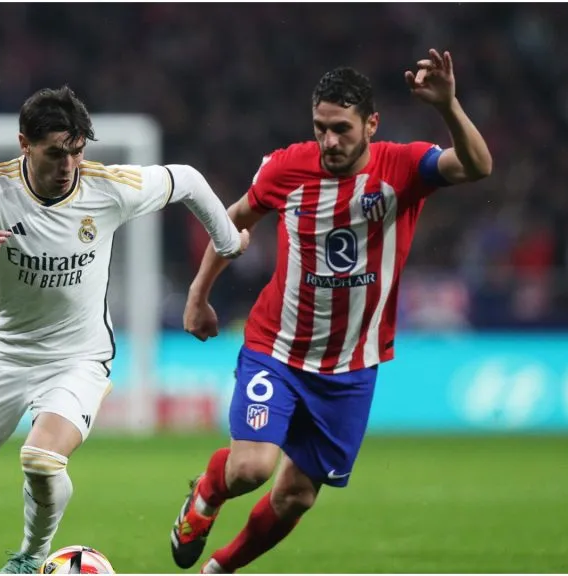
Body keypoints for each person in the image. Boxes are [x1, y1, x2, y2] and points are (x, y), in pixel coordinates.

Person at [0, 85, 249, 574]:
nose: (69, 165)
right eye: (56, 153)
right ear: (25, 144)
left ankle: (30, 558)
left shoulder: (105, 187)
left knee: (41, 460)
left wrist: (227, 243)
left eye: (76, 152)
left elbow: (185, 179)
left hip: (78, 358)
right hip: (3, 356)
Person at [169, 49, 492, 574]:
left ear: (371, 125)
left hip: (350, 366)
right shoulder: (286, 168)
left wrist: (448, 106)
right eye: (321, 128)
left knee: (296, 495)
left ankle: (220, 569)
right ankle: (206, 494)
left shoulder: (403, 166)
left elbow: (478, 165)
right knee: (252, 468)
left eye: (342, 129)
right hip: (276, 348)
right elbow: (234, 219)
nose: (330, 141)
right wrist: (197, 295)